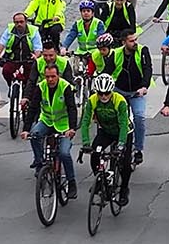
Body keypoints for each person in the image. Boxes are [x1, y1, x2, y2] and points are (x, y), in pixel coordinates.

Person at [24, 59, 80, 198]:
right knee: (35, 134)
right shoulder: (41, 87)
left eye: (53, 76)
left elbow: (72, 109)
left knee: (64, 153)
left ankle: (71, 182)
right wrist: (25, 129)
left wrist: (72, 128)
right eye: (48, 76)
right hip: (47, 121)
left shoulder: (65, 87)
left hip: (63, 124)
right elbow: (33, 108)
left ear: (58, 76)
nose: (50, 79)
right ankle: (39, 161)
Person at [84, 73, 136, 201]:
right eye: (100, 93)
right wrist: (86, 143)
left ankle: (124, 189)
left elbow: (123, 124)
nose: (103, 96)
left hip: (123, 132)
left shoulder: (120, 101)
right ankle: (100, 179)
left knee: (125, 162)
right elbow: (85, 122)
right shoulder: (92, 100)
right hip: (106, 131)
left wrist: (121, 144)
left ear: (111, 91)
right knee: (95, 153)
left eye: (106, 93)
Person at [106, 29, 154, 163]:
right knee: (114, 116)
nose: (135, 43)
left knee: (139, 117)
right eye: (131, 41)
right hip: (119, 91)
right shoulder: (115, 53)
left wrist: (144, 87)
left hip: (136, 91)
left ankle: (138, 149)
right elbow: (107, 72)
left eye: (136, 40)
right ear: (123, 42)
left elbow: (147, 69)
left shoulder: (142, 51)